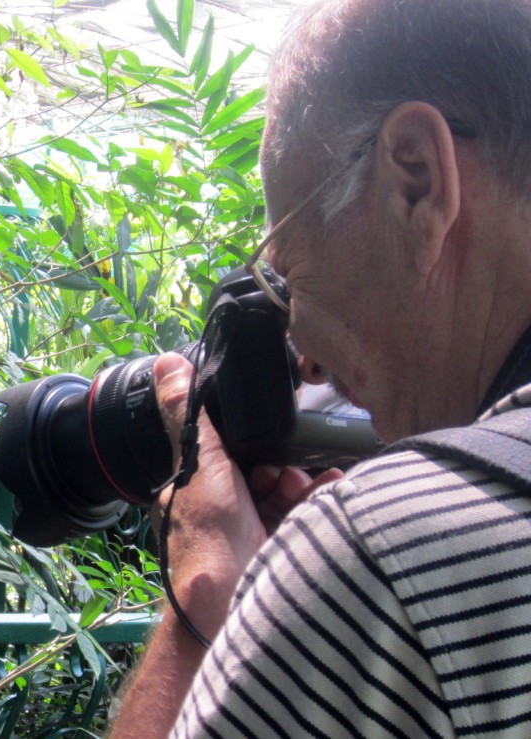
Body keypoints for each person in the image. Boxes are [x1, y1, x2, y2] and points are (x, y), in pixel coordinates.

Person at [110, 0, 531, 736]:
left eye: (288, 274)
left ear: (416, 178)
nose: (301, 352)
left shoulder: (389, 563)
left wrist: (205, 595)